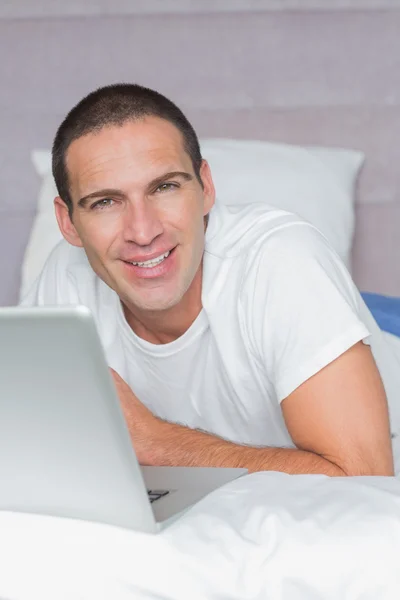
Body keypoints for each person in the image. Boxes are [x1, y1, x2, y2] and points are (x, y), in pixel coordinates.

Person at [22, 83, 397, 476]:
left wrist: (155, 442)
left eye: (164, 187)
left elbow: (363, 478)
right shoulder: (66, 279)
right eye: (105, 202)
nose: (143, 231)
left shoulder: (282, 262)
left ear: (206, 188)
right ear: (68, 222)